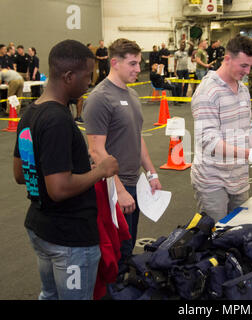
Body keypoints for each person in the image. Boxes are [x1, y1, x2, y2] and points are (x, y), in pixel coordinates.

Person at [13, 39, 119, 300]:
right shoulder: (57, 120)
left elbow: (20, 173)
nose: (89, 82)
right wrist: (101, 170)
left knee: (49, 295)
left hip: (40, 227)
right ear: (69, 76)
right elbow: (59, 189)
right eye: (87, 76)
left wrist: (78, 168)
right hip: (69, 237)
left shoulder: (31, 112)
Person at [83, 38, 162, 275]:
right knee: (113, 255)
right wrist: (120, 190)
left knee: (127, 250)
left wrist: (151, 173)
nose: (139, 69)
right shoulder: (100, 98)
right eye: (133, 64)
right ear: (115, 62)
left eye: (139, 63)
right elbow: (96, 150)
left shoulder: (132, 95)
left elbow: (137, 138)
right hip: (111, 189)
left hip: (132, 182)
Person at [190, 35, 252, 222]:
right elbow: (209, 141)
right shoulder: (208, 91)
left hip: (239, 178)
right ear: (227, 59)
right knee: (216, 237)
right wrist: (250, 155)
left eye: (251, 65)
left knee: (240, 232)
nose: (248, 71)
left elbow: (249, 126)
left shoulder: (243, 88)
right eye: (244, 65)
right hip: (212, 181)